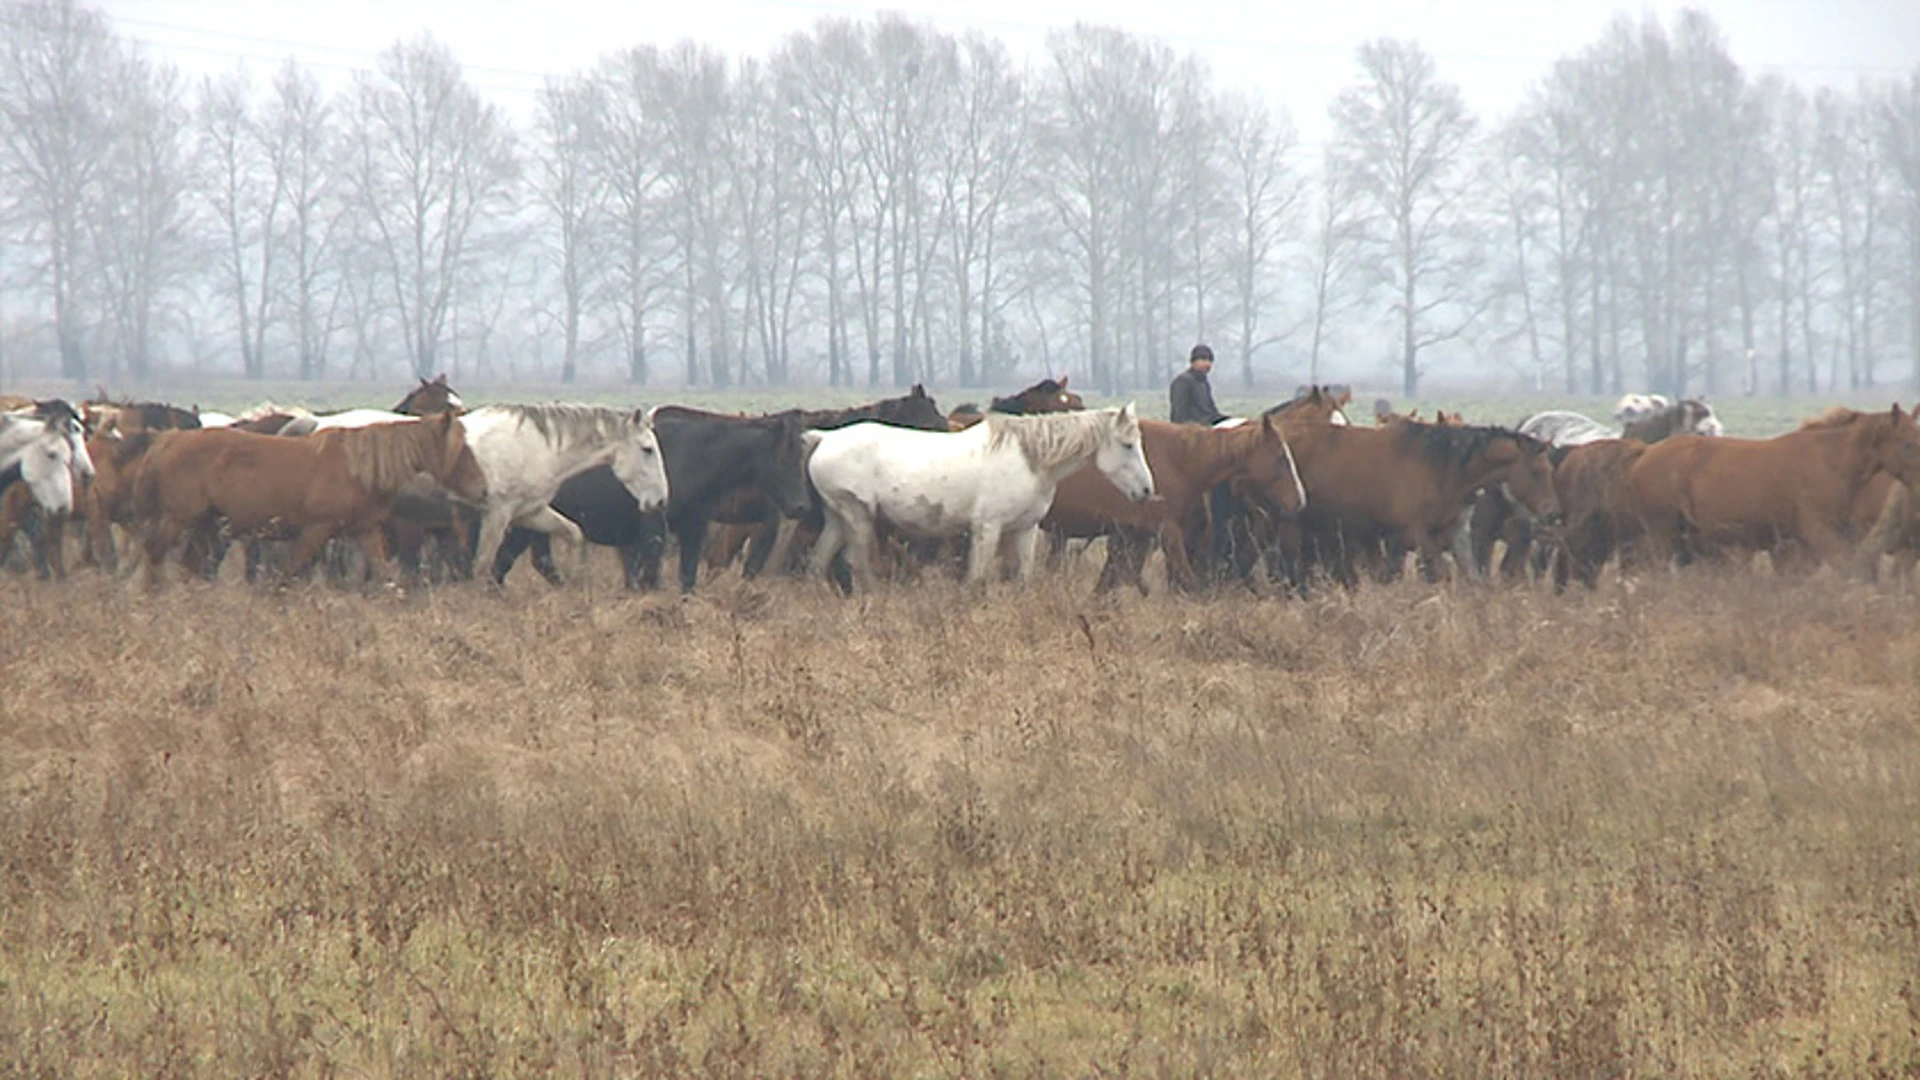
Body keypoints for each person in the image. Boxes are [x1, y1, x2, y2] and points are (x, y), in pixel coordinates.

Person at [1169, 344, 1227, 426]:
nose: (1207, 364)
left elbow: (1211, 412)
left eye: (1210, 361)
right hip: (1192, 432)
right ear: (1193, 362)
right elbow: (1179, 416)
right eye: (1203, 359)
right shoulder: (1182, 382)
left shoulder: (1204, 383)